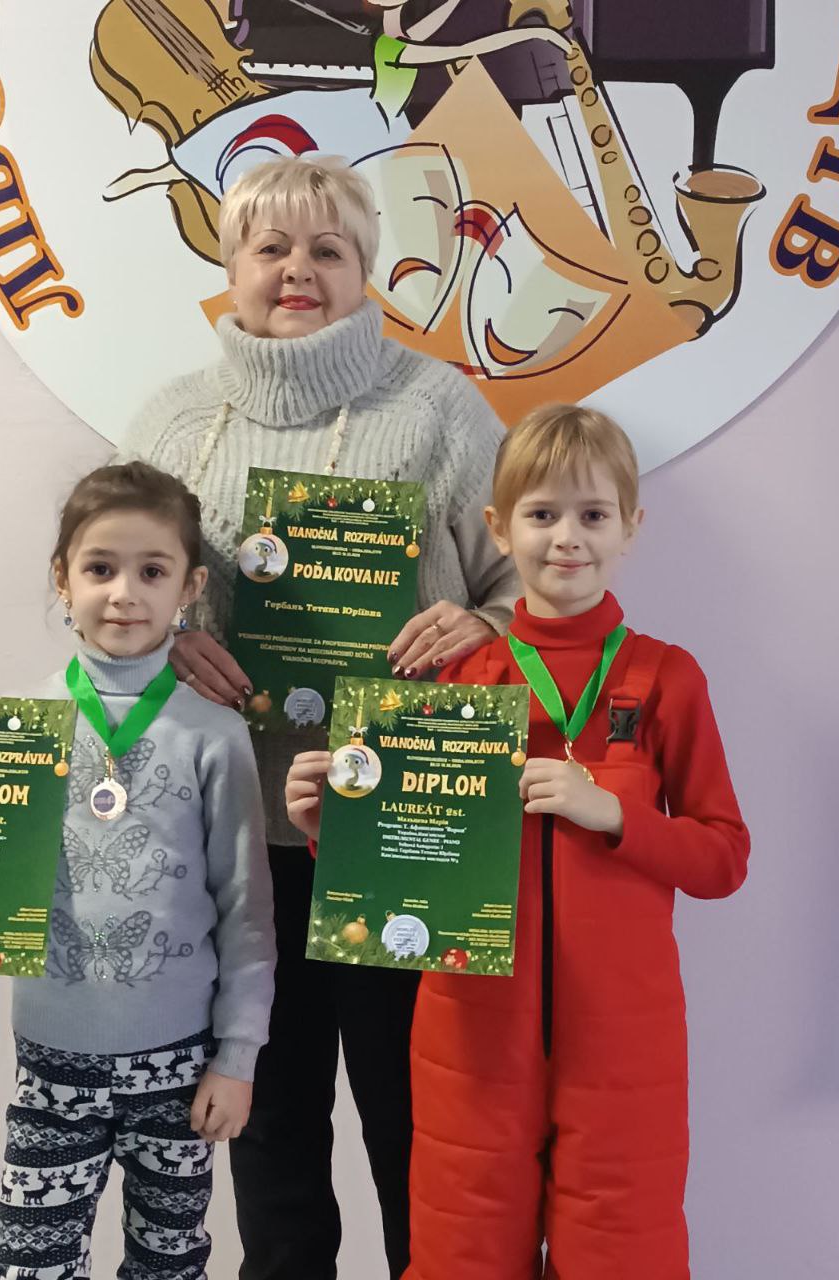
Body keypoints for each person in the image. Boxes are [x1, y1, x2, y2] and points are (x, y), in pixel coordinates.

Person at [124, 155, 520, 1280]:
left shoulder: (439, 409)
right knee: (271, 1130)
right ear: (231, 265)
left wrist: (480, 621)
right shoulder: (172, 420)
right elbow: (106, 588)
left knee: (419, 1128)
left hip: (405, 829)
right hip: (237, 835)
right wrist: (164, 638)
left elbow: (525, 586)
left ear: (364, 269)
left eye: (328, 249)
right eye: (272, 247)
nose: (298, 270)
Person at [287, 404, 750, 1280]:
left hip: (624, 1036)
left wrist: (613, 814)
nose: (567, 538)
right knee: (461, 1256)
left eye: (593, 514)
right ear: (500, 529)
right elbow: (399, 862)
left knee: (622, 1257)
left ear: (631, 527)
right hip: (469, 1030)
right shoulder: (459, 679)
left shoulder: (666, 677)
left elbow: (723, 857)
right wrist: (327, 836)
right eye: (541, 514)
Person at [0, 462, 275, 1280]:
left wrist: (237, 1057)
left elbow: (246, 911)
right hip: (51, 1063)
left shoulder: (216, 736)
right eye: (100, 568)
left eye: (152, 572)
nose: (124, 594)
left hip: (180, 1067)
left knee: (168, 1265)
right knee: (33, 1264)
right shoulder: (17, 730)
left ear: (189, 588)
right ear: (63, 578)